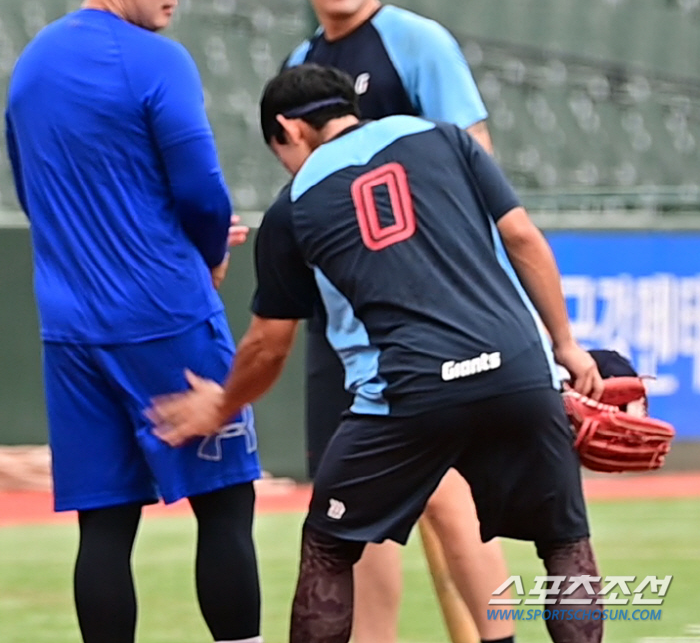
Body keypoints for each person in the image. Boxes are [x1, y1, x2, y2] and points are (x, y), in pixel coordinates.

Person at [148, 64, 606, 643]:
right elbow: (521, 238)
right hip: (519, 367)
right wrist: (565, 345)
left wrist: (220, 406)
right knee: (564, 544)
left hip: (412, 389)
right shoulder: (445, 137)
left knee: (329, 548)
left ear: (288, 129)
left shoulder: (295, 205)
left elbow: (268, 345)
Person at [4, 0, 262, 643]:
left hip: (71, 330)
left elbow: (35, 191)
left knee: (105, 528)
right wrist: (208, 250)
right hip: (166, 317)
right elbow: (202, 192)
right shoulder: (157, 58)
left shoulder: (31, 66)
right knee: (225, 504)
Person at [283, 0, 512, 643]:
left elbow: (474, 168)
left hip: (426, 321)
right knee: (349, 504)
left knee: (452, 499)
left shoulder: (417, 44)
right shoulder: (301, 65)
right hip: (342, 328)